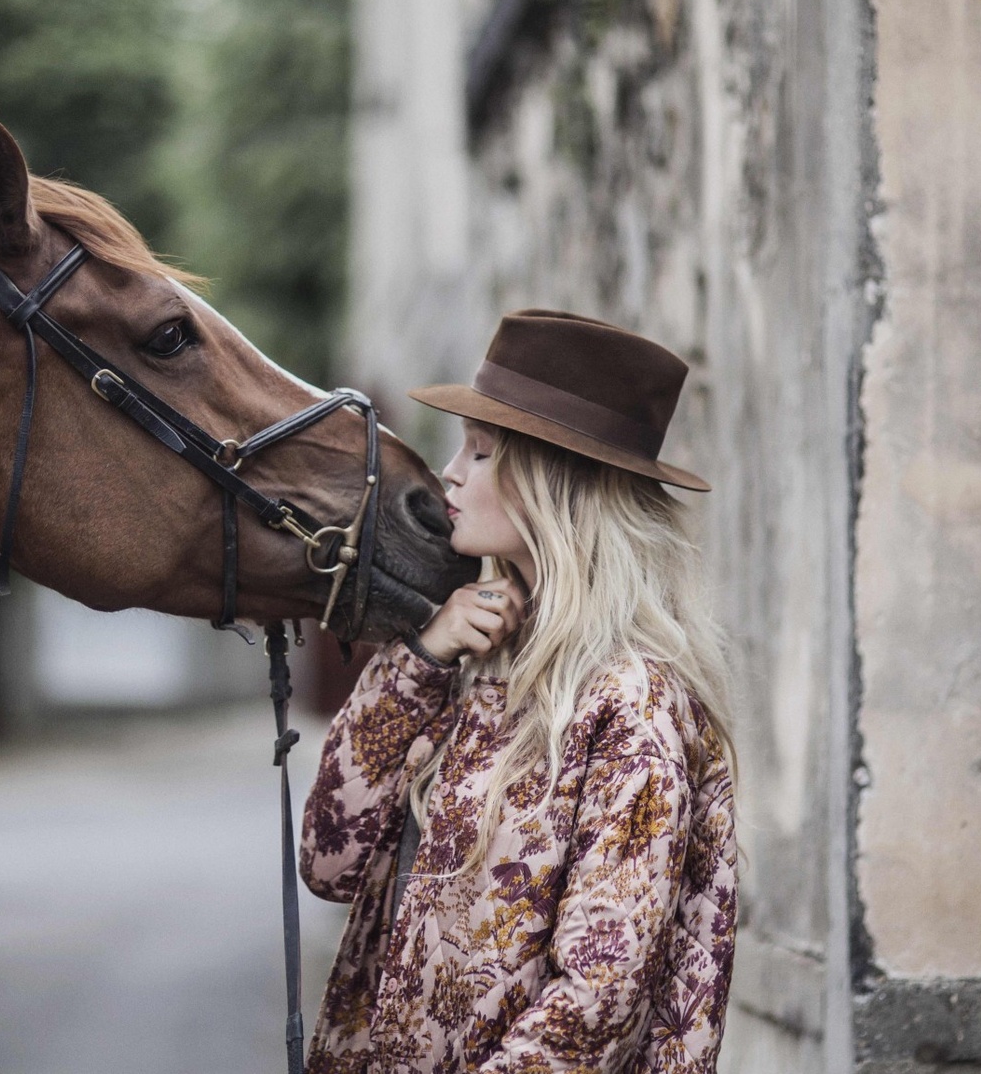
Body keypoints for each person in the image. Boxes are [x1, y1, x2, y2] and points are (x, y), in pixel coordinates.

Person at [299, 310, 737, 1073]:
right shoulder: (470, 667)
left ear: (551, 486)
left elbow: (599, 995)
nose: (451, 475)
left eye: (481, 453)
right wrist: (418, 663)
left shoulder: (633, 705)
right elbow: (328, 861)